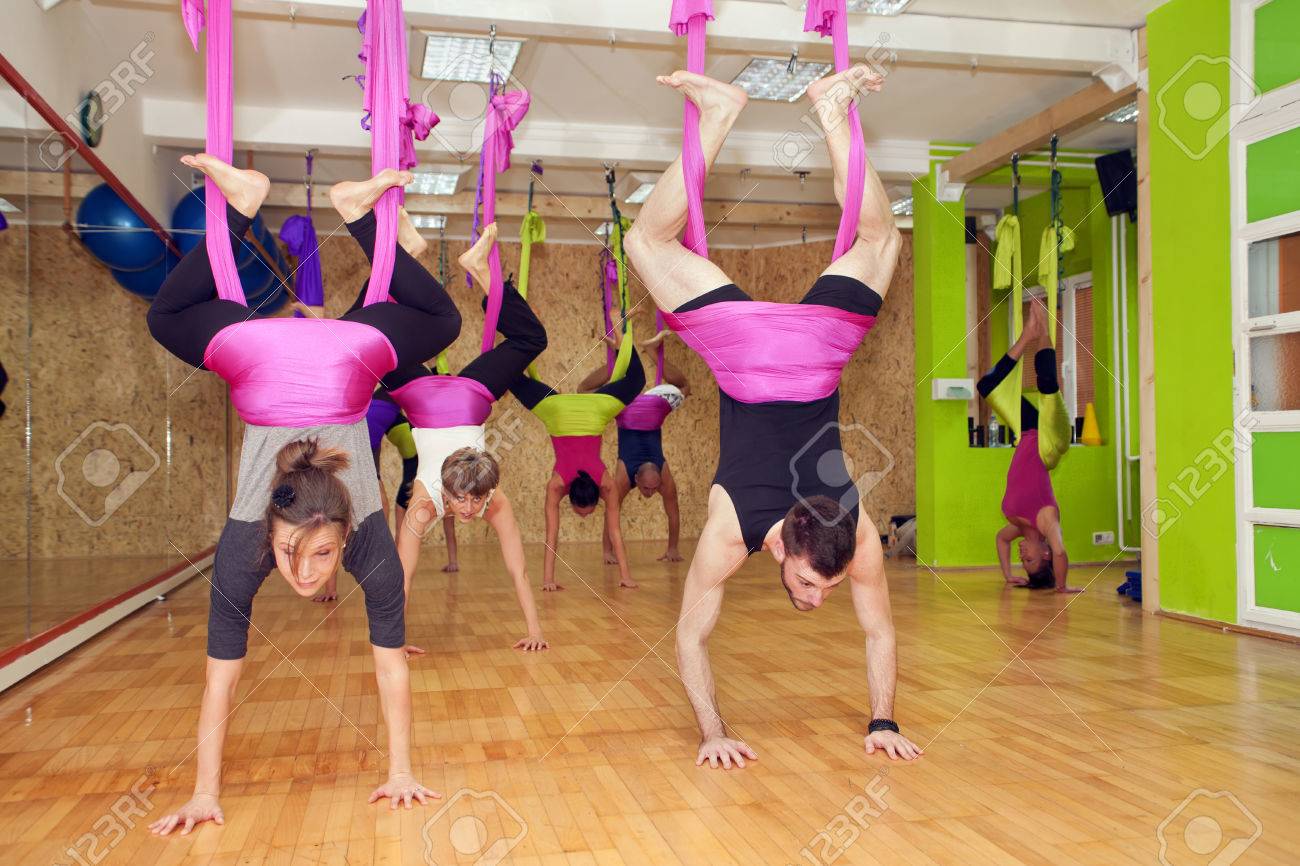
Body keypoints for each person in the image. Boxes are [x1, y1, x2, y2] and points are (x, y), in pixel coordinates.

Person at [145, 154, 454, 832]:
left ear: (348, 533)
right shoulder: (260, 545)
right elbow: (223, 682)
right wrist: (202, 793)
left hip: (287, 351)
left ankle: (259, 207)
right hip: (326, 354)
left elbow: (387, 668)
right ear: (270, 532)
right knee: (435, 319)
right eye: (294, 553)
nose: (306, 573)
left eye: (316, 556)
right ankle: (347, 213)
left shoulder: (350, 539)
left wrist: (403, 773)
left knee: (174, 314)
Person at [623, 67, 921, 767]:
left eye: (820, 587)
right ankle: (790, 108)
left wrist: (883, 721)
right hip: (755, 357)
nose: (819, 599)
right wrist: (711, 733)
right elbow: (689, 637)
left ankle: (821, 107)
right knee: (648, 244)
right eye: (818, 586)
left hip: (816, 346)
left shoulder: (848, 536)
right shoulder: (734, 535)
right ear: (785, 547)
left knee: (882, 243)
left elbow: (699, 638)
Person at [386, 223, 550, 651]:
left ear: (487, 488)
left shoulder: (492, 497)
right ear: (447, 489)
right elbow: (403, 572)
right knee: (530, 338)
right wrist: (395, 641)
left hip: (455, 396)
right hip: (445, 398)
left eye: (476, 500)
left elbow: (519, 569)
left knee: (369, 337)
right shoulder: (424, 505)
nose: (470, 508)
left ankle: (422, 256)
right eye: (463, 500)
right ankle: (407, 254)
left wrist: (535, 630)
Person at [508, 327, 646, 591]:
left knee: (636, 379)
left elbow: (552, 536)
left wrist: (549, 580)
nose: (584, 517)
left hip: (589, 411)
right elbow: (613, 533)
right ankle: (620, 339)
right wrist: (625, 576)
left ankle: (622, 340)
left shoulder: (604, 483)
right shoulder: (560, 484)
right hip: (560, 412)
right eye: (588, 512)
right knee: (512, 378)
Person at [978, 302, 1081, 593]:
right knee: (1047, 386)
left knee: (987, 386)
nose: (1024, 557)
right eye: (1032, 560)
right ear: (1045, 553)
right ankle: (1045, 332)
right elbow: (1061, 552)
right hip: (1052, 442)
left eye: (1023, 563)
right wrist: (1062, 587)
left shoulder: (1016, 526)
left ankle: (1028, 335)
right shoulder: (1046, 521)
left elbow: (1001, 540)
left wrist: (1008, 574)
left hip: (1028, 432)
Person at [578, 330, 689, 564]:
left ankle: (619, 361)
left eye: (652, 488)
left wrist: (673, 550)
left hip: (645, 409)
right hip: (631, 411)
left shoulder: (662, 476)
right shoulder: (624, 474)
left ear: (659, 477)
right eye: (648, 489)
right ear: (635, 479)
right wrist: (606, 552)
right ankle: (635, 354)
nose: (650, 494)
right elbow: (671, 511)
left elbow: (672, 511)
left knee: (685, 388)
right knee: (582, 393)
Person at [312, 387, 419, 604]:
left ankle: (380, 563)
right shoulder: (375, 409)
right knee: (340, 516)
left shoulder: (378, 411)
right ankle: (333, 584)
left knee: (375, 501)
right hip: (355, 442)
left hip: (364, 438)